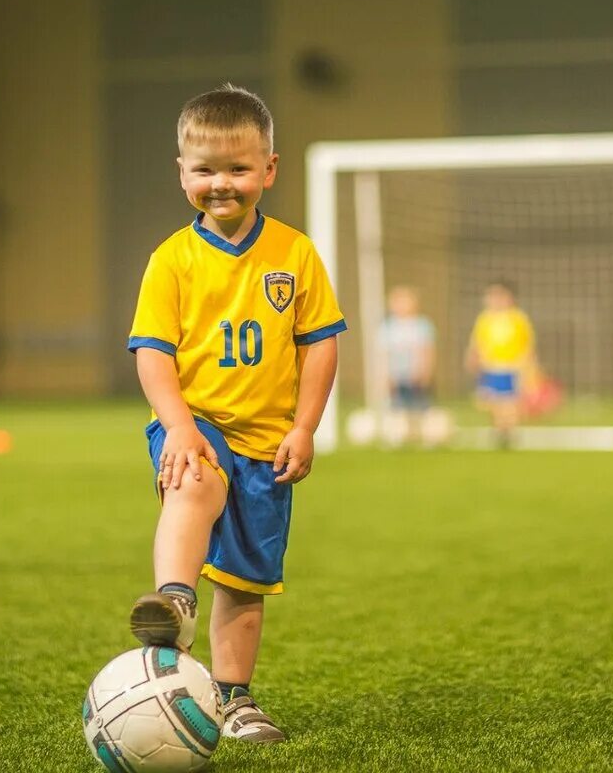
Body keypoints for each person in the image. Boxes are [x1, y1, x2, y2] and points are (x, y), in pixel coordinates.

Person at [125, 84, 345, 743]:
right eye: (205, 170)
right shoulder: (172, 261)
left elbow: (320, 346)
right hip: (198, 423)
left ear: (269, 169)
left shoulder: (294, 254)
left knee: (247, 581)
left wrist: (305, 427)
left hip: (269, 444)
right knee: (194, 481)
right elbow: (154, 354)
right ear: (182, 174)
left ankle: (233, 698)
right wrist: (181, 424)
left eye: (238, 169)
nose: (221, 183)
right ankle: (174, 601)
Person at [466, 281, 535, 448]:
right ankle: (499, 430)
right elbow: (476, 342)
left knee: (510, 401)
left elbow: (527, 344)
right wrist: (472, 358)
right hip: (490, 366)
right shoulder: (485, 319)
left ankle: (509, 431)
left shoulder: (518, 318)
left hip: (512, 366)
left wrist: (527, 365)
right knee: (493, 401)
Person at [379, 285, 435, 444]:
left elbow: (427, 350)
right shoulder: (388, 327)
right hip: (397, 374)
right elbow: (384, 354)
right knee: (397, 406)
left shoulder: (422, 326)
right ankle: (397, 436)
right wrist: (386, 375)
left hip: (416, 373)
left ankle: (425, 435)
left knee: (420, 406)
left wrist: (425, 371)